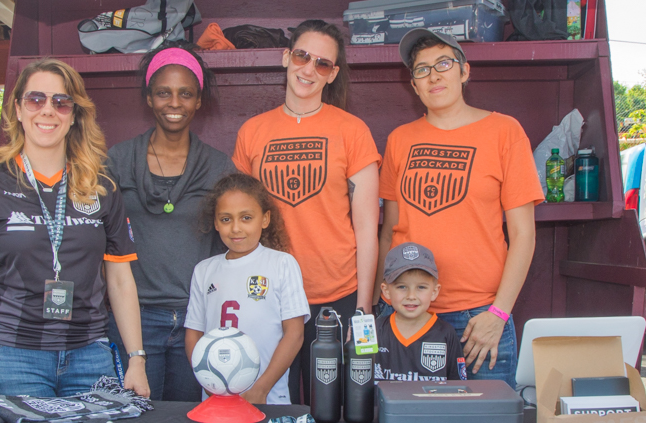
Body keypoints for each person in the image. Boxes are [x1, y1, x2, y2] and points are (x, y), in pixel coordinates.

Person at [0, 59, 149, 398]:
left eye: (61, 102)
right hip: (13, 355)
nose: (48, 111)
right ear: (18, 111)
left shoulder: (101, 188)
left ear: (74, 114)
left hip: (89, 353)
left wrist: (136, 360)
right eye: (36, 100)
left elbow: (121, 279)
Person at [376, 29, 543, 389]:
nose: (434, 75)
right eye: (422, 70)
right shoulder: (400, 140)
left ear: (464, 72)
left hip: (477, 320)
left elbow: (524, 235)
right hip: (407, 313)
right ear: (413, 85)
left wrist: (498, 313)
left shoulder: (505, 132)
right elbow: (389, 230)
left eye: (443, 63)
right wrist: (381, 303)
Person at [232, 19, 381, 403]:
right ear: (286, 57)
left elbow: (367, 228)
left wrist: (363, 309)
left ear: (332, 75)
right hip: (270, 297)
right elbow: (240, 222)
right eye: (302, 56)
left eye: (323, 64)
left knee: (335, 414)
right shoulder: (252, 131)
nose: (309, 70)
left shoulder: (353, 131)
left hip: (337, 293)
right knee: (275, 409)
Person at [106, 42, 234, 401]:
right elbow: (95, 235)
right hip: (134, 318)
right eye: (163, 93)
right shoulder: (118, 160)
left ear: (198, 100)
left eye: (185, 94)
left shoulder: (218, 166)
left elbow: (238, 241)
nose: (174, 103)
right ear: (149, 98)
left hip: (197, 318)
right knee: (134, 422)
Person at [184, 174, 310, 405]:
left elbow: (294, 334)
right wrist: (209, 384)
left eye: (246, 218)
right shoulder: (204, 270)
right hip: (216, 399)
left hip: (268, 397)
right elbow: (194, 334)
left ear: (265, 219)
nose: (235, 228)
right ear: (215, 222)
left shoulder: (282, 264)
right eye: (225, 219)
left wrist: (261, 389)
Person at [374, 242, 466, 383]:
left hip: (430, 406)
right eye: (402, 287)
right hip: (384, 406)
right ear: (386, 291)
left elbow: (457, 387)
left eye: (421, 287)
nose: (411, 295)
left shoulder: (446, 333)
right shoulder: (374, 330)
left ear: (434, 292)